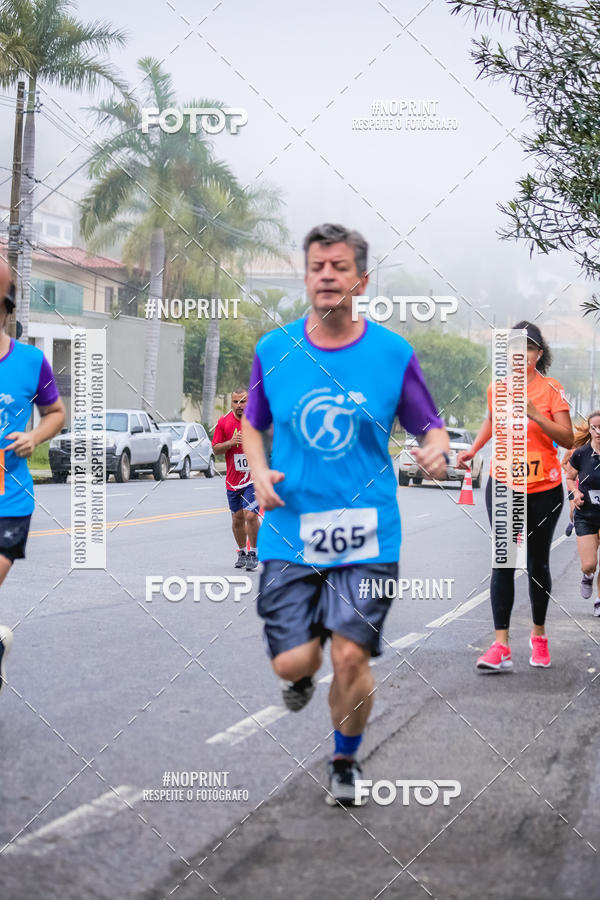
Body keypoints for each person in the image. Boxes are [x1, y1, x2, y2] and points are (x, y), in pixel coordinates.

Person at [242, 223, 449, 805]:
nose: (326, 275)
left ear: (359, 278)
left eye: (338, 266)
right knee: (291, 663)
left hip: (367, 534)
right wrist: (258, 470)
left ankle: (344, 759)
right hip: (289, 532)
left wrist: (435, 447)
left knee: (351, 652)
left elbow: (428, 425)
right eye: (316, 266)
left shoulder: (391, 353)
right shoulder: (274, 350)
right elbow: (254, 427)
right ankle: (303, 674)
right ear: (306, 276)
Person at [458, 322, 573, 671]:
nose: (520, 357)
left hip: (544, 488)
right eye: (513, 351)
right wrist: (473, 449)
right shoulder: (498, 389)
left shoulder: (552, 389)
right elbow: (491, 422)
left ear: (539, 354)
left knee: (538, 564)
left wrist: (537, 415)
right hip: (504, 483)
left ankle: (538, 636)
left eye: (529, 350)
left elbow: (568, 439)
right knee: (503, 562)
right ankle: (501, 646)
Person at [0, 261, 65, 691]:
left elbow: (57, 413)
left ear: (5, 310)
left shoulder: (31, 362)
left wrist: (35, 437)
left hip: (11, 499)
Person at [212, 388, 260, 571]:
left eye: (243, 401)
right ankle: (242, 552)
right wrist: (231, 443)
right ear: (231, 403)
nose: (240, 405)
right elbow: (215, 449)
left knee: (250, 514)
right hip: (233, 480)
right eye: (236, 402)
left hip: (253, 478)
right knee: (237, 518)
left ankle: (253, 552)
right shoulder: (223, 422)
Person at [564, 411, 600, 614]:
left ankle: (599, 600)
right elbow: (569, 478)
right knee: (589, 564)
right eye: (594, 427)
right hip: (586, 515)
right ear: (589, 429)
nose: (598, 431)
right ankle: (587, 576)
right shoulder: (581, 453)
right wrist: (575, 492)